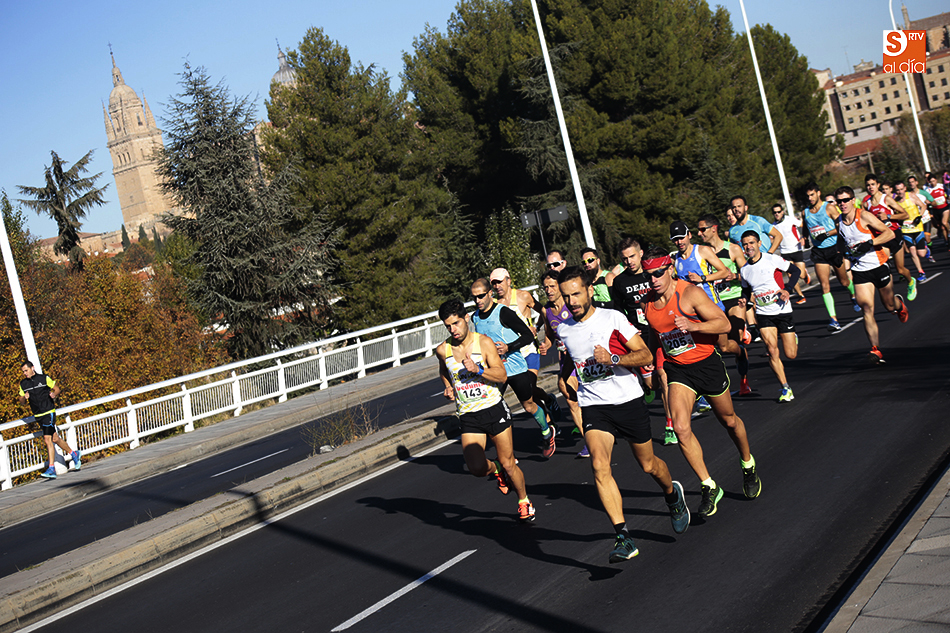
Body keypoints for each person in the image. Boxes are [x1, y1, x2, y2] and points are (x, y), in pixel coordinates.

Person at [556, 266, 689, 563]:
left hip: (628, 400)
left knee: (649, 465)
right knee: (600, 467)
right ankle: (623, 536)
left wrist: (613, 357)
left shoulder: (613, 318)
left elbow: (644, 354)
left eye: (576, 293)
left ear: (590, 290)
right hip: (594, 406)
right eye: (566, 296)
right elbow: (572, 361)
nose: (572, 301)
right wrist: (564, 378)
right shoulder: (563, 329)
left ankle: (672, 495)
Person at [642, 247, 761, 518]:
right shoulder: (647, 303)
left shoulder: (690, 294)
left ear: (669, 268)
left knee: (729, 421)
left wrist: (694, 326)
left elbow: (723, 325)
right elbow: (655, 337)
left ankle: (747, 463)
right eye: (649, 275)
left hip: (706, 364)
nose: (654, 280)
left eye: (658, 273)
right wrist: (647, 363)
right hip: (678, 370)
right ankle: (708, 485)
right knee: (681, 428)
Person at [436, 299, 535, 522]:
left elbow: (501, 375)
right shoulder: (443, 350)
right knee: (477, 468)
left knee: (510, 463)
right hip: (469, 415)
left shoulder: (484, 343)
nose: (453, 330)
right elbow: (443, 370)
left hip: (494, 410)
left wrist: (478, 369)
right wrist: (448, 386)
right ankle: (495, 468)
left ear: (466, 319)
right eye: (448, 326)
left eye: (456, 323)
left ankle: (523, 500)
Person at [469, 278, 556, 457]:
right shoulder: (475, 317)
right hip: (494, 371)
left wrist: (508, 347)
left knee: (529, 406)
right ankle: (506, 454)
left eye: (481, 296)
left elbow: (526, 335)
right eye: (474, 297)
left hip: (515, 368)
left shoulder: (504, 313)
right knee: (492, 408)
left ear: (489, 294)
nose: (478, 301)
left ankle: (547, 432)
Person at [670, 220, 745, 411]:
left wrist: (702, 278)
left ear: (689, 236)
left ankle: (740, 352)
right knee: (697, 353)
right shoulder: (676, 261)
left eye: (681, 237)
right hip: (693, 314)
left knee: (724, 346)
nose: (679, 242)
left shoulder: (702, 251)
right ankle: (703, 395)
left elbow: (725, 271)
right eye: (675, 239)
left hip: (713, 307)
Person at [610, 237, 676, 444]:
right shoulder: (620, 282)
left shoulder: (653, 274)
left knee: (664, 377)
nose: (629, 261)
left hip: (660, 331)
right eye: (624, 258)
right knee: (653, 383)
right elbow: (618, 312)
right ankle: (647, 386)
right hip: (639, 340)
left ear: (640, 254)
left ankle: (669, 425)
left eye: (632, 256)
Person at [834, 186, 909, 364]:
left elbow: (889, 233)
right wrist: (840, 256)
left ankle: (899, 305)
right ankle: (876, 349)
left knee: (889, 306)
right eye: (839, 201)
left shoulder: (864, 215)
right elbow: (842, 240)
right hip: (860, 270)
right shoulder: (839, 221)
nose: (842, 204)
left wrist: (870, 243)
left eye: (845, 200)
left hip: (878, 264)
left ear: (853, 200)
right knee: (867, 309)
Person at [489, 267, 559, 421]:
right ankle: (549, 421)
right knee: (527, 396)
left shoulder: (523, 296)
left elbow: (545, 311)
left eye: (499, 282)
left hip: (528, 350)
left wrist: (538, 328)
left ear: (508, 281)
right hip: (510, 355)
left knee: (531, 388)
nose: (496, 286)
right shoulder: (494, 304)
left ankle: (548, 403)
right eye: (493, 283)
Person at [738, 231, 800, 402]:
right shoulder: (744, 270)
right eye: (745, 244)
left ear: (759, 243)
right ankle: (785, 388)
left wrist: (788, 289)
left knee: (791, 354)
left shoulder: (771, 259)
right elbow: (747, 289)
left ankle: (793, 336)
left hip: (782, 310)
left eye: (751, 243)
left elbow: (795, 271)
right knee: (772, 350)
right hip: (764, 314)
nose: (748, 247)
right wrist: (745, 300)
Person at [696, 214, 752, 397]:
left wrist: (734, 276)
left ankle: (744, 381)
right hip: (712, 301)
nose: (699, 233)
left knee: (733, 341)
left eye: (702, 229)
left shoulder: (733, 249)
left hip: (734, 297)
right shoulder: (700, 252)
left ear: (714, 228)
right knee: (724, 347)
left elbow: (748, 275)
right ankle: (738, 353)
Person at [537, 269, 587, 457]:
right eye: (545, 288)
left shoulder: (572, 305)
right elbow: (550, 335)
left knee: (592, 395)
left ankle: (605, 425)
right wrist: (546, 345)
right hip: (566, 361)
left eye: (552, 286)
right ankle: (589, 441)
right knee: (570, 397)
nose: (549, 290)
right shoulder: (546, 310)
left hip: (584, 358)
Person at [802, 183, 859, 331]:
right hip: (818, 251)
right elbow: (805, 228)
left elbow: (841, 225)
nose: (810, 198)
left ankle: (853, 295)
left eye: (812, 195)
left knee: (844, 281)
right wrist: (805, 237)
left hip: (834, 248)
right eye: (807, 196)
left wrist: (826, 233)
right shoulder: (805, 212)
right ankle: (833, 319)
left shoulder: (829, 208)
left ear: (818, 193)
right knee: (824, 285)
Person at [19, 361, 80, 479]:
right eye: (23, 372)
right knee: (55, 438)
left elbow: (57, 389)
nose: (25, 373)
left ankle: (51, 468)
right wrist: (24, 398)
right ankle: (74, 454)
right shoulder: (23, 384)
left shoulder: (43, 378)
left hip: (48, 412)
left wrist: (54, 394)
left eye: (26, 370)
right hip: (38, 415)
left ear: (32, 368)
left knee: (47, 439)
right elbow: (21, 402)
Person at [863, 175, 915, 301]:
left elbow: (905, 215)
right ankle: (889, 295)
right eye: (868, 185)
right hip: (882, 238)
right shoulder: (866, 204)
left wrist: (888, 216)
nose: (870, 187)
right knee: (884, 267)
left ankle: (911, 282)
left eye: (873, 184)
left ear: (878, 185)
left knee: (900, 270)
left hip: (894, 235)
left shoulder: (886, 199)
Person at [771, 203, 808, 304]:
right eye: (775, 213)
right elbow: (772, 238)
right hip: (785, 252)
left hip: (796, 249)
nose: (777, 214)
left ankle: (805, 275)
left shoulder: (790, 219)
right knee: (792, 276)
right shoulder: (773, 226)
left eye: (779, 212)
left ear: (782, 212)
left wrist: (803, 237)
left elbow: (802, 225)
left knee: (801, 274)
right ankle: (801, 295)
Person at [893, 181, 928, 282]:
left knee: (921, 254)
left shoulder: (911, 196)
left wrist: (919, 216)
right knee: (912, 251)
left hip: (917, 228)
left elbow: (923, 206)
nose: (900, 192)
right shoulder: (895, 202)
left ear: (905, 188)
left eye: (901, 189)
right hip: (906, 229)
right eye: (897, 190)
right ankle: (921, 272)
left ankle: (926, 248)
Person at [907, 175, 936, 261]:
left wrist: (929, 202)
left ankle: (930, 253)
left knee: (927, 238)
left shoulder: (923, 193)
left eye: (913, 182)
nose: (911, 184)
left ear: (916, 182)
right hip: (915, 220)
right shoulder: (908, 195)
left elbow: (934, 203)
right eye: (910, 182)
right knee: (919, 239)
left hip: (925, 218)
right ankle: (925, 250)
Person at [925, 172, 950, 247]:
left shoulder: (941, 186)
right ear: (929, 182)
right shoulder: (928, 190)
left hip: (945, 207)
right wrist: (928, 202)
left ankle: (949, 233)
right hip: (936, 210)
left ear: (936, 180)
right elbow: (926, 200)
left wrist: (948, 197)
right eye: (931, 181)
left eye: (934, 181)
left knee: (944, 222)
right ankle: (947, 241)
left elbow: (948, 193)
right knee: (941, 227)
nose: (933, 183)